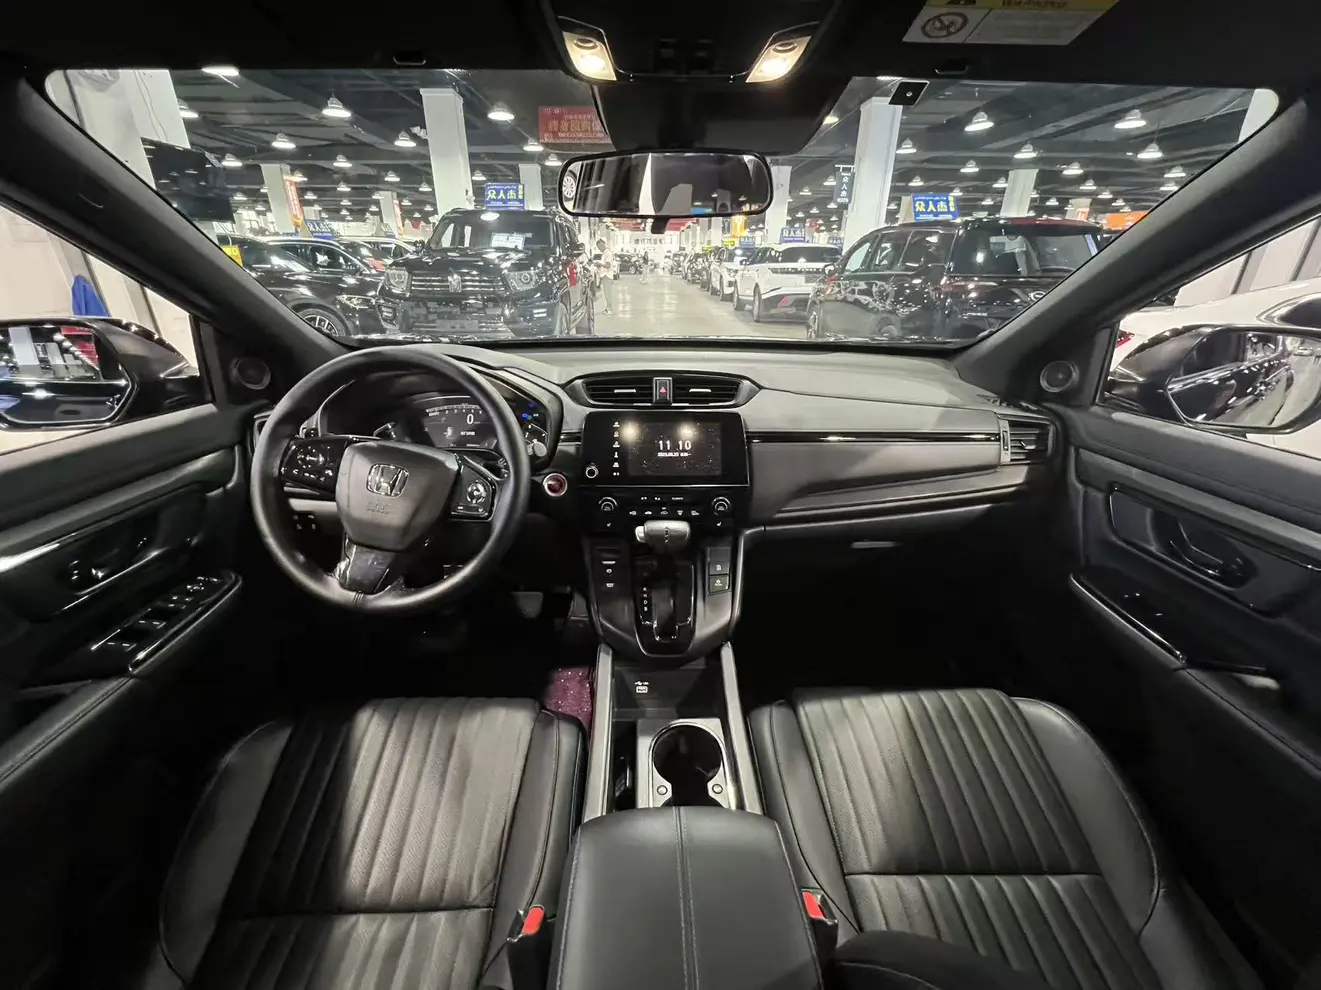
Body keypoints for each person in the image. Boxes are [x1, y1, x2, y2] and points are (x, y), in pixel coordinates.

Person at [596, 239, 617, 314]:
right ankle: (607, 308)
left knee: (608, 294)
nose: (599, 248)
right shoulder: (604, 253)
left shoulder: (608, 253)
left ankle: (609, 309)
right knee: (606, 294)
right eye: (598, 247)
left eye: (599, 246)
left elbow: (608, 265)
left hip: (607, 276)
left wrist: (600, 264)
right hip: (605, 276)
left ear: (603, 245)